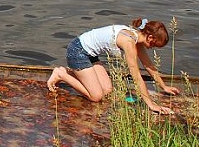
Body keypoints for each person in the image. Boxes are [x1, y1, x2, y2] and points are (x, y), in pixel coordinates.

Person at [46, 18, 181, 114]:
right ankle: (61, 74)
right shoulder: (129, 42)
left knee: (107, 90)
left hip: (90, 55)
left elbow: (149, 65)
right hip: (77, 51)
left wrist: (164, 86)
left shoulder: (136, 37)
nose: (153, 49)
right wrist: (151, 105)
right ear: (150, 38)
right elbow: (136, 76)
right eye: (155, 45)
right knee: (96, 97)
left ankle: (76, 74)